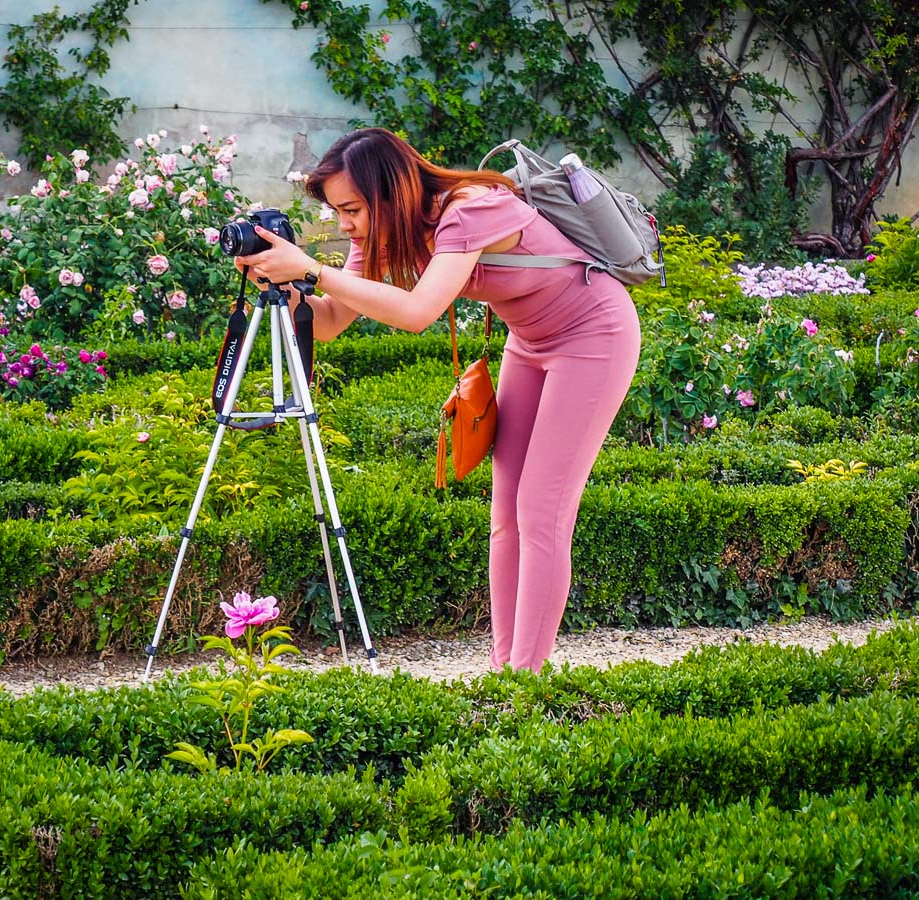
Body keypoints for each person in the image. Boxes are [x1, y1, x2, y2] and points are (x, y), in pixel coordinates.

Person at [233, 127, 640, 672]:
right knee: (506, 515)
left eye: (351, 209)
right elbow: (330, 323)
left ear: (389, 190)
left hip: (594, 333)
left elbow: (417, 311)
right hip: (530, 341)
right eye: (338, 212)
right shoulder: (375, 233)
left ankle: (528, 681)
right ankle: (504, 672)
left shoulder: (469, 208)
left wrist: (311, 268)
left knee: (542, 510)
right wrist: (285, 286)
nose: (345, 224)